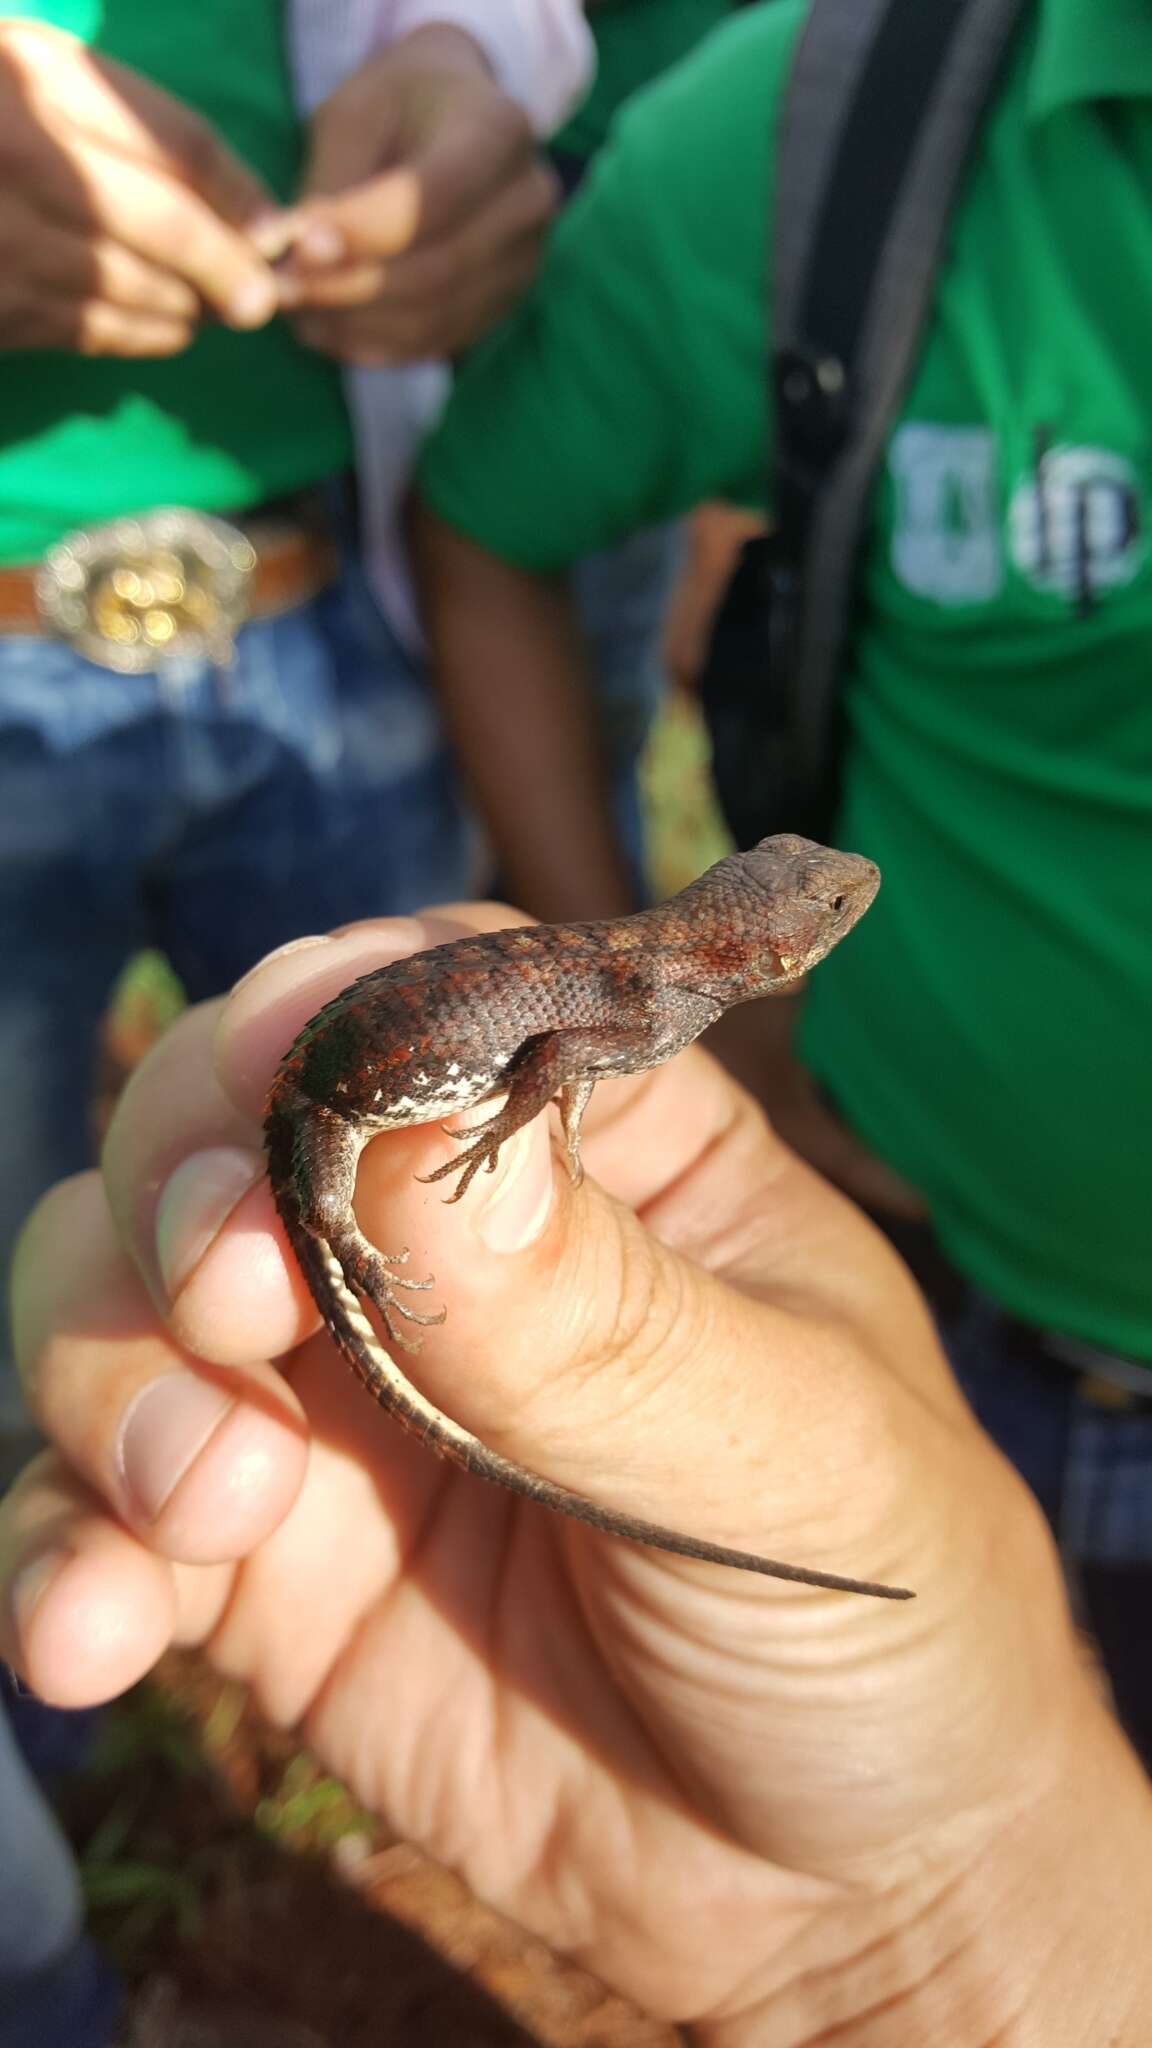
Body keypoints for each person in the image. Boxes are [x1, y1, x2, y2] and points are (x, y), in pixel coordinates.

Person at [3, 907, 1152, 2045]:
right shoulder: (655, 994)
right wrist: (497, 1140)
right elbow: (553, 1057)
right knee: (303, 1262)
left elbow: (557, 1049)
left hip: (363, 1072)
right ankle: (346, 1249)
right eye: (827, 914)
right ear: (773, 954)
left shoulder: (657, 971)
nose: (846, 905)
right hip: (338, 1101)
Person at [407, 0, 1152, 1742]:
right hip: (932, 1278)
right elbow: (484, 516)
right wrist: (681, 1030)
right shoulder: (840, 120)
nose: (832, 893)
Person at [0, 7, 591, 2038]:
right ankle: (56, 1774)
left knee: (345, 1284)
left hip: (319, 607)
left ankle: (416, 1635)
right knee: (48, 1311)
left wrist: (462, 61)